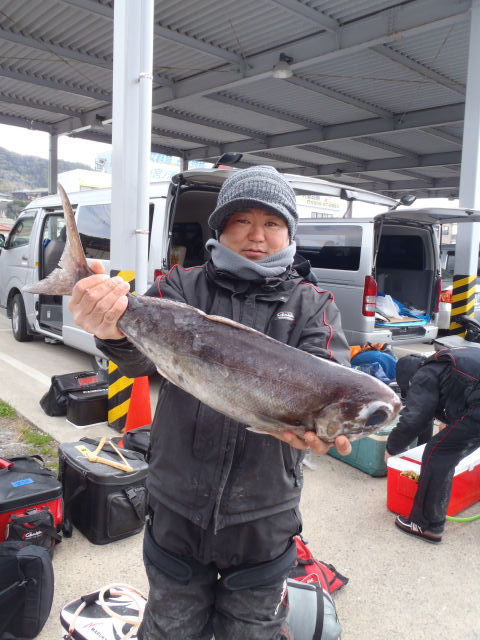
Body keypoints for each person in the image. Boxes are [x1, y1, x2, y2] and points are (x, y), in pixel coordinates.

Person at [68, 165, 352, 639]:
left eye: (272, 222)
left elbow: (327, 378)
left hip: (264, 514)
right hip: (176, 504)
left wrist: (321, 427)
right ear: (220, 227)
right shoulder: (181, 286)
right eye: (242, 221)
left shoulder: (312, 305)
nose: (257, 235)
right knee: (170, 626)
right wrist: (110, 329)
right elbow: (138, 360)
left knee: (253, 630)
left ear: (289, 233)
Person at [385, 347, 480, 544]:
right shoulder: (444, 363)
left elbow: (415, 419)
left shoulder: (423, 374)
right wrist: (452, 421)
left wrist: (392, 448)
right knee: (446, 444)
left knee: (438, 452)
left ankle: (426, 525)